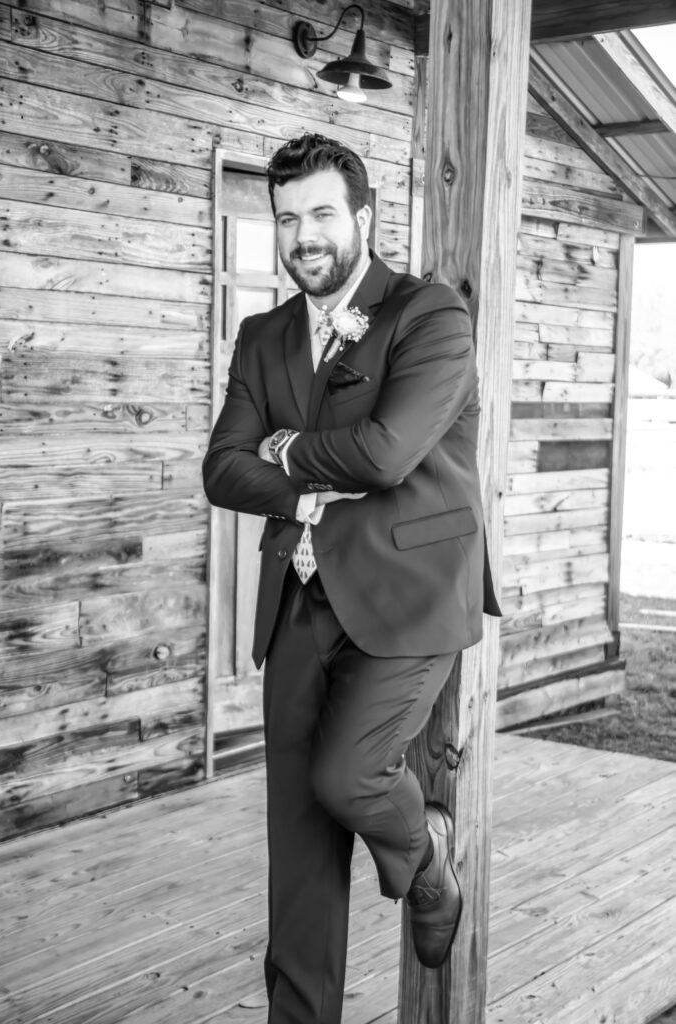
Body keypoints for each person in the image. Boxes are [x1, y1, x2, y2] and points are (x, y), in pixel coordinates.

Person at [203, 133, 500, 1024]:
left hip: (409, 599)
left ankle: (427, 851)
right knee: (297, 858)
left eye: (322, 213)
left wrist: (284, 449)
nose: (304, 235)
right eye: (287, 218)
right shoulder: (261, 336)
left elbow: (385, 453)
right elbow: (222, 470)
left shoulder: (428, 314)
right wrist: (302, 493)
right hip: (296, 602)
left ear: (361, 217)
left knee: (350, 778)